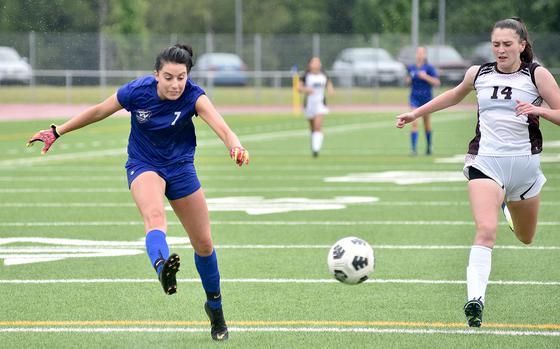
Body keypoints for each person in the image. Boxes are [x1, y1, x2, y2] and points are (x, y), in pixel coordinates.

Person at [27, 44, 249, 341]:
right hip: (144, 164)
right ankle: (162, 267)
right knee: (154, 216)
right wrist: (57, 131)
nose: (175, 84)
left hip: (181, 167)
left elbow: (222, 128)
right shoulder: (137, 91)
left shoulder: (194, 95)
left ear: (188, 77)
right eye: (168, 77)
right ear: (156, 74)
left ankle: (215, 308)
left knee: (204, 244)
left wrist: (235, 146)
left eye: (181, 77)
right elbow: (98, 111)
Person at [396, 18, 560, 327]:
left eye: (507, 44)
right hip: (485, 162)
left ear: (522, 46)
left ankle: (507, 206)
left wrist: (540, 111)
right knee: (485, 231)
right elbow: (454, 95)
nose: (500, 50)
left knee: (526, 237)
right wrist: (415, 113)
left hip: (525, 168)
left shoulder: (537, 75)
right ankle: (476, 300)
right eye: (496, 44)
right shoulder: (479, 73)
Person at [405, 46, 440, 155]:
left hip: (426, 99)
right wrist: (408, 80)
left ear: (425, 55)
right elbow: (407, 82)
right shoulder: (411, 68)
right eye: (418, 52)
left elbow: (437, 82)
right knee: (414, 122)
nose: (420, 55)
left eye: (422, 53)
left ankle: (429, 147)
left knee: (426, 124)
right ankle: (413, 149)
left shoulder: (429, 68)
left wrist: (425, 77)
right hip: (414, 98)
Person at [298, 57, 334, 158]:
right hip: (309, 104)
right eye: (314, 62)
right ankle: (314, 144)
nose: (317, 64)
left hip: (320, 104)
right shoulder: (306, 75)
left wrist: (330, 90)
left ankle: (316, 149)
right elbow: (299, 87)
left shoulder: (324, 75)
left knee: (318, 126)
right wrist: (306, 89)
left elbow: (329, 84)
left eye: (318, 62)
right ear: (309, 64)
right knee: (312, 128)